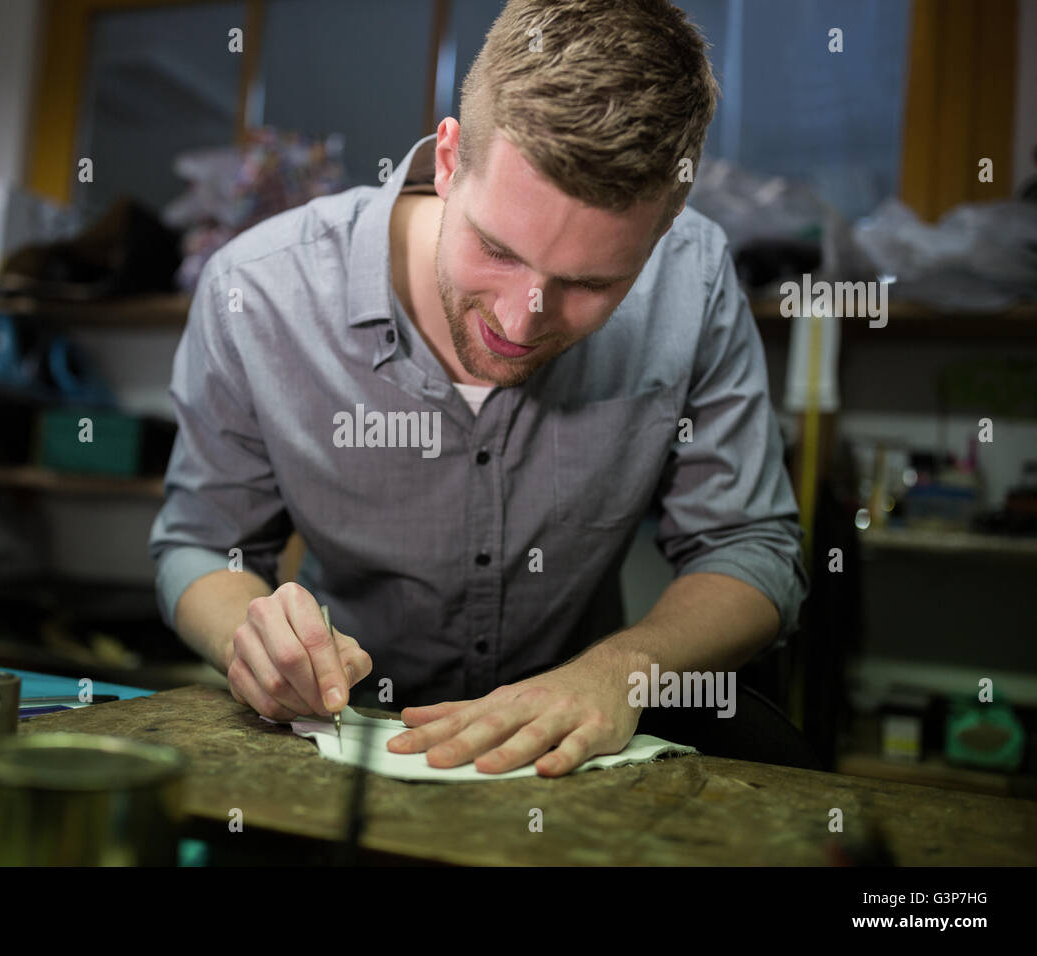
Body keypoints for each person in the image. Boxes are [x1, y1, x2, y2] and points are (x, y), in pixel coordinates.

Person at [149, 0, 809, 776]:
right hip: (341, 748)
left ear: (665, 227)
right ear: (449, 160)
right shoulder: (257, 291)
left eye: (589, 283)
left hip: (580, 762)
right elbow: (199, 539)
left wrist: (621, 672)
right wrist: (249, 638)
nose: (521, 321)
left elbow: (750, 548)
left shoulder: (692, 280)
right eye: (497, 249)